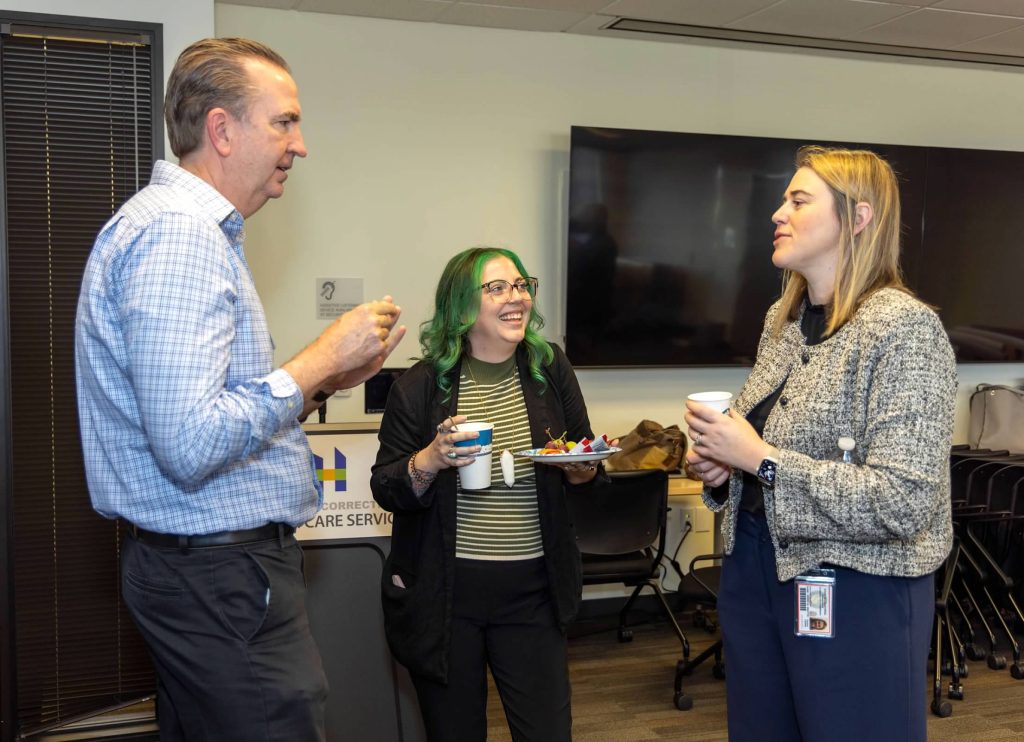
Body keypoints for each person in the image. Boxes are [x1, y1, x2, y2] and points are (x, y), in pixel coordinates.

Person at [75, 38, 405, 741]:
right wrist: (317, 361)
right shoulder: (180, 238)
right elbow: (190, 443)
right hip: (220, 575)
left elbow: (207, 407)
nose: (301, 144)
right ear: (222, 130)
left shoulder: (186, 233)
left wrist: (327, 381)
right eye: (283, 121)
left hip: (209, 574)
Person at [684, 146, 956, 742]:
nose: (778, 213)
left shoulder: (903, 328)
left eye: (798, 199)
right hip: (756, 571)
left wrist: (758, 458)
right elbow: (762, 454)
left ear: (857, 218)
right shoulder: (780, 320)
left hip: (857, 587)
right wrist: (723, 467)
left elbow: (903, 500)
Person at [371, 246, 604, 741]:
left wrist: (582, 467)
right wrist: (431, 459)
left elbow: (580, 457)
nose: (515, 297)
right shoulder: (419, 385)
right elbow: (386, 485)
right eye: (497, 287)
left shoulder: (549, 369)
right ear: (461, 305)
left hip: (534, 590)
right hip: (446, 595)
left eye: (521, 285)